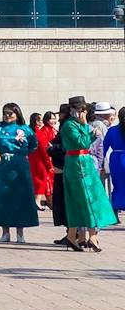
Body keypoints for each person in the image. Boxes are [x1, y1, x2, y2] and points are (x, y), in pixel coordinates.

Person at [61, 95, 117, 252]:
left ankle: (77, 235)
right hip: (76, 162)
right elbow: (81, 142)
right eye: (78, 109)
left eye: (83, 110)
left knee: (93, 197)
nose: (81, 113)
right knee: (83, 199)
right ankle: (86, 235)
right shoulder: (69, 125)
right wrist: (88, 129)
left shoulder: (80, 124)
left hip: (86, 161)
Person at [0, 102, 38, 243]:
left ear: (17, 114)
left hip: (19, 166)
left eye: (10, 113)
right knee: (3, 198)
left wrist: (23, 153)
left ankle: (20, 233)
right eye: (5, 113)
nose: (7, 116)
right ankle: (5, 232)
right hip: (1, 167)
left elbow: (33, 144)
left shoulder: (25, 129)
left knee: (21, 198)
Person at [48, 102, 71, 240]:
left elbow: (66, 147)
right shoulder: (66, 126)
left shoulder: (67, 126)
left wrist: (51, 149)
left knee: (66, 202)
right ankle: (71, 233)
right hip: (61, 167)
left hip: (64, 168)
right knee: (62, 202)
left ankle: (73, 233)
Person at [29, 110, 56, 208]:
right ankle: (38, 201)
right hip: (41, 160)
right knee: (42, 181)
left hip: (34, 159)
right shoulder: (40, 133)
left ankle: (49, 202)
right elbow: (44, 149)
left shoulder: (31, 132)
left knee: (41, 181)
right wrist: (49, 164)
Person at [103, 106, 125, 216]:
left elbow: (104, 147)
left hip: (116, 159)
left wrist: (102, 163)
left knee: (117, 185)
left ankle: (115, 210)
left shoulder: (112, 130)